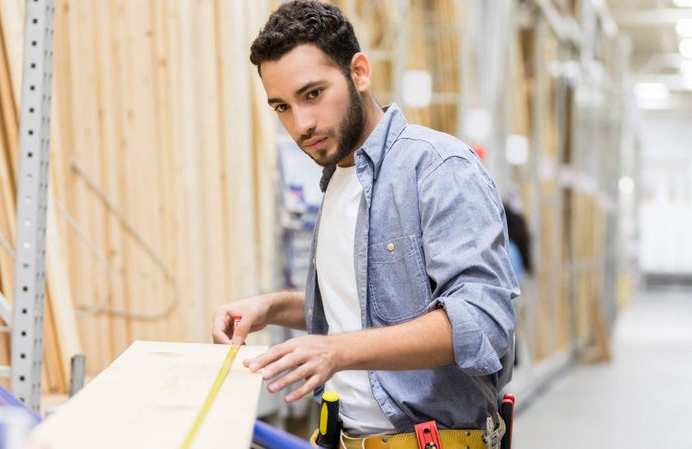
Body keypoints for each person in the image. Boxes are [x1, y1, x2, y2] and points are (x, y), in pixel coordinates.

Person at [212, 1, 518, 446]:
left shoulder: (437, 168)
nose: (301, 124)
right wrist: (271, 308)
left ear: (359, 72)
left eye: (312, 94)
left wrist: (337, 352)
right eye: (281, 106)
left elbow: (481, 321)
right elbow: (368, 306)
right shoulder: (338, 178)